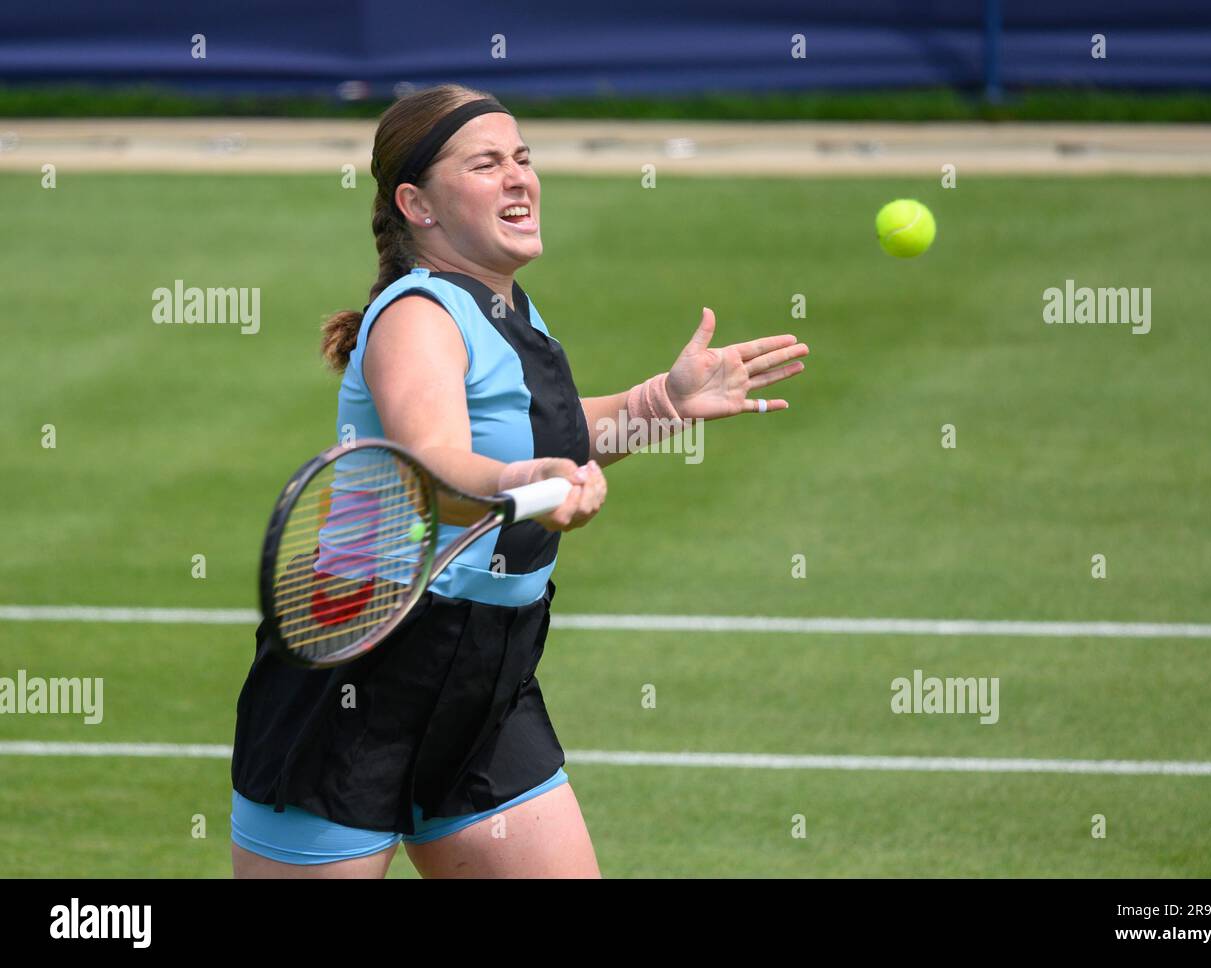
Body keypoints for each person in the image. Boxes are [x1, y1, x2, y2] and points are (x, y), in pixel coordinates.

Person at [229, 83, 808, 878]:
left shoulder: (508, 311)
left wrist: (662, 404)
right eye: (487, 164)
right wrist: (522, 479)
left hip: (483, 671)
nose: (520, 179)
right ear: (418, 205)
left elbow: (559, 436)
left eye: (525, 159)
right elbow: (434, 466)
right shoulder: (418, 317)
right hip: (364, 663)